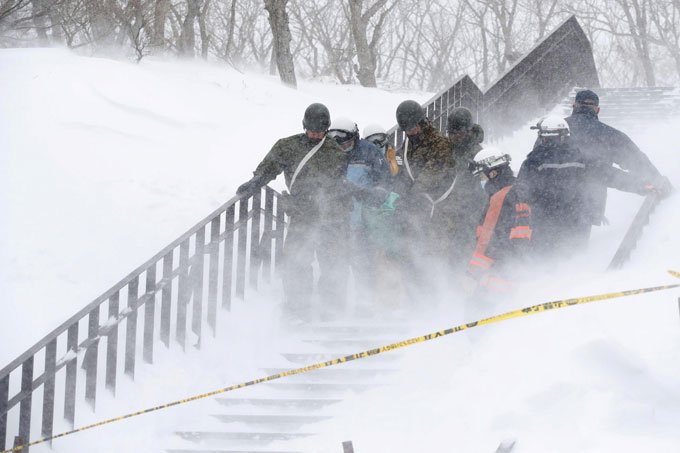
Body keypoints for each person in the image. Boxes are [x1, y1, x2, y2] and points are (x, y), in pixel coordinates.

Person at [236, 103, 350, 321]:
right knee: (296, 260)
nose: (315, 135)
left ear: (326, 129)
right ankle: (298, 307)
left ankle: (331, 308)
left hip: (331, 215)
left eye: (320, 131)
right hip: (302, 214)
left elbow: (336, 186)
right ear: (304, 126)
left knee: (332, 261)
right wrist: (256, 181)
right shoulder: (287, 146)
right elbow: (270, 167)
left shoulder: (335, 152)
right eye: (312, 130)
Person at [516, 116, 647, 257]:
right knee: (574, 259)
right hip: (576, 220)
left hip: (544, 223)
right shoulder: (580, 158)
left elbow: (520, 193)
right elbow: (608, 174)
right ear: (566, 135)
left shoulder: (532, 163)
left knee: (545, 261)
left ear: (543, 137)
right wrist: (640, 185)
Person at [565, 89, 672, 232]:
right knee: (574, 251)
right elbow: (635, 160)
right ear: (597, 110)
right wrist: (657, 180)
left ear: (574, 106)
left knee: (549, 252)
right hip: (585, 207)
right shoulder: (607, 134)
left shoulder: (552, 132)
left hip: (543, 203)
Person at [327, 117, 391, 304]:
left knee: (363, 263)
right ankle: (334, 305)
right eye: (336, 141)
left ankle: (365, 304)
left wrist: (373, 194)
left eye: (346, 140)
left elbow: (384, 180)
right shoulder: (327, 153)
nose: (342, 145)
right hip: (336, 219)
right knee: (335, 264)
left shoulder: (369, 152)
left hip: (363, 220)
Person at [394, 100, 457, 266]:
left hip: (438, 209)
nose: (411, 131)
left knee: (436, 255)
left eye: (414, 127)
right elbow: (404, 172)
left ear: (421, 122)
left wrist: (413, 195)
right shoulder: (407, 144)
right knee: (413, 255)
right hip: (416, 210)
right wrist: (399, 192)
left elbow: (432, 174)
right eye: (407, 129)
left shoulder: (439, 143)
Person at [466, 153, 531, 292]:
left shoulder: (499, 197)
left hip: (498, 272)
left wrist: (473, 274)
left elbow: (487, 238)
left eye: (482, 176)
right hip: (515, 266)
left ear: (493, 173)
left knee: (481, 309)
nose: (481, 181)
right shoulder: (517, 189)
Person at [446, 107, 489, 272]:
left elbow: (486, 184)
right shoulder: (448, 148)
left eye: (460, 133)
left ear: (469, 131)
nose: (456, 137)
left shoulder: (478, 153)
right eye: (452, 133)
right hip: (449, 204)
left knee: (466, 244)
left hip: (471, 206)